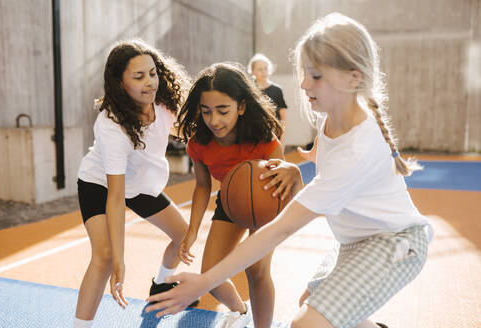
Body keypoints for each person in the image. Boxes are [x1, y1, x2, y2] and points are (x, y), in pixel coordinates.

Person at [146, 13, 434, 328]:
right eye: (304, 73)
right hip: (356, 240)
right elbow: (325, 163)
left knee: (305, 324)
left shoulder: (358, 148)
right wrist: (298, 171)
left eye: (316, 76)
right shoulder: (333, 121)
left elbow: (281, 228)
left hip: (394, 244)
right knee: (309, 306)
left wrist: (202, 283)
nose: (303, 83)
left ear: (354, 78)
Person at [172, 62, 302, 328]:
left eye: (223, 110)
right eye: (206, 111)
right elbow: (202, 186)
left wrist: (292, 177)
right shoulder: (199, 142)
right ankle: (239, 310)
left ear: (241, 107)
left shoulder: (264, 139)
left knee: (256, 269)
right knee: (209, 273)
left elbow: (280, 187)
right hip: (230, 202)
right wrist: (192, 230)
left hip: (266, 199)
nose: (214, 120)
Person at [74, 39, 192, 328]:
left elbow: (187, 130)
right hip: (100, 184)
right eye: (138, 77)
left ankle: (161, 285)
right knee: (103, 256)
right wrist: (120, 262)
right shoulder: (111, 125)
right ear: (119, 82)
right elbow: (115, 197)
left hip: (140, 185)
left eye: (152, 73)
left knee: (184, 237)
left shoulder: (163, 105)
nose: (149, 82)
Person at [248, 53, 289, 146]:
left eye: (265, 68)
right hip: (254, 137)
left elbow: (283, 118)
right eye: (259, 69)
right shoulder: (249, 90)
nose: (263, 72)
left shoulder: (277, 90)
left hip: (274, 136)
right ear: (252, 71)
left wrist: (281, 140)